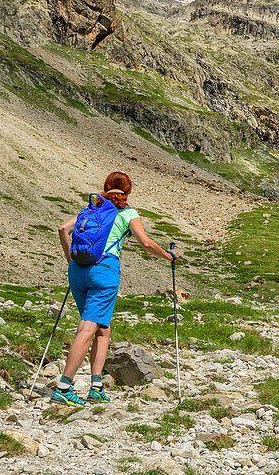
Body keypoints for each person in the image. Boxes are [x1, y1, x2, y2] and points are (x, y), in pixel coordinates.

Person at [53, 171, 178, 405]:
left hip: (77, 269)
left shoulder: (90, 209)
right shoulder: (127, 212)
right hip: (105, 271)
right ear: (127, 191)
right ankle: (64, 386)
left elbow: (63, 230)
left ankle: (96, 386)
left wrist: (71, 261)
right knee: (88, 327)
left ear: (105, 188)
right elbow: (146, 243)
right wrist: (168, 256)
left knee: (103, 328)